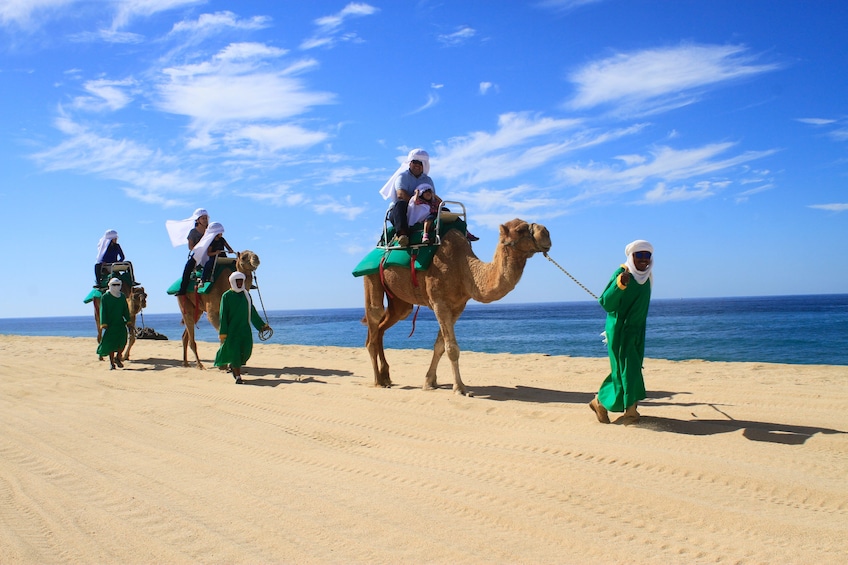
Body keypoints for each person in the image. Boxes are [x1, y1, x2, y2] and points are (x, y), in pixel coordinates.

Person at [589, 240, 654, 425]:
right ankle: (629, 411)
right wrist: (620, 285)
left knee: (631, 369)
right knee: (624, 371)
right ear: (631, 256)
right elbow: (606, 303)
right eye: (639, 255)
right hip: (620, 330)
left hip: (637, 331)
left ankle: (601, 403)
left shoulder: (647, 276)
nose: (643, 259)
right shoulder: (621, 273)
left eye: (646, 255)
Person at [214, 272, 270, 384]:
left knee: (247, 350)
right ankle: (238, 375)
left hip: (245, 329)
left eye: (241, 281)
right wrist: (223, 332)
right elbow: (223, 315)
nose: (239, 283)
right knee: (235, 353)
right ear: (232, 282)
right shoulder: (226, 296)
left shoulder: (246, 295)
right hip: (232, 331)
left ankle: (235, 366)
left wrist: (261, 326)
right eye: (237, 281)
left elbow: (252, 311)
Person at [379, 148, 434, 247]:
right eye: (415, 162)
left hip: (423, 211)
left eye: (420, 163)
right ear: (410, 163)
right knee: (400, 204)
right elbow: (401, 195)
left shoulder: (428, 180)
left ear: (424, 165)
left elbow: (433, 197)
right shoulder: (402, 177)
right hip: (403, 212)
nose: (417, 165)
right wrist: (416, 204)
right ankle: (402, 235)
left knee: (443, 210)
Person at [173, 209, 210, 296]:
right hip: (198, 254)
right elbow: (190, 246)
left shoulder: (210, 230)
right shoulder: (193, 232)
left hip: (211, 252)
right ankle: (183, 289)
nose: (205, 220)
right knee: (188, 268)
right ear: (197, 220)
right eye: (203, 218)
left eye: (206, 218)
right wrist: (200, 250)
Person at [97, 277, 131, 370]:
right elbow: (103, 310)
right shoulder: (105, 297)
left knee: (123, 342)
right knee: (111, 344)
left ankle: (118, 357)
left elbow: (125, 309)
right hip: (110, 324)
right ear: (110, 285)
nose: (116, 287)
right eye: (114, 285)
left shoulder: (122, 296)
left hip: (120, 323)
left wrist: (128, 321)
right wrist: (104, 323)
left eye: (118, 285)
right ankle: (112, 363)